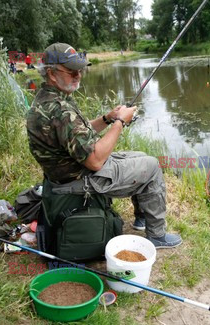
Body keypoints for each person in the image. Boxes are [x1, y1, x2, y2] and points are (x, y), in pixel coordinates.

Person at [26, 42, 182, 249]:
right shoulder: (60, 110)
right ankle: (157, 236)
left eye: (80, 71)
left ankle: (142, 218)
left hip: (68, 173)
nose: (78, 76)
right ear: (52, 74)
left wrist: (107, 118)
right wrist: (121, 122)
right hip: (79, 180)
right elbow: (96, 161)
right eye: (72, 71)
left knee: (139, 154)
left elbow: (76, 136)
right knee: (152, 166)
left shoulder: (49, 99)